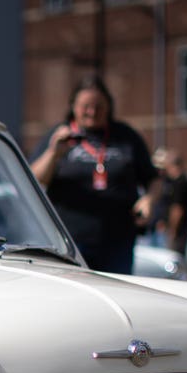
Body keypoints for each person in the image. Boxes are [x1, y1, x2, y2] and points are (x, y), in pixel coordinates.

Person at [30, 75, 158, 274]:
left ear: (109, 106)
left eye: (99, 106)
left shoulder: (125, 136)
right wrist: (53, 153)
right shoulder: (60, 134)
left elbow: (153, 179)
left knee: (117, 292)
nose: (92, 112)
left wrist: (149, 199)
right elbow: (36, 179)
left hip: (117, 240)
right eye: (85, 106)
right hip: (70, 241)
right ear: (73, 106)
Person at [152, 147, 187, 257]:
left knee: (174, 259)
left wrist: (172, 230)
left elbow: (177, 209)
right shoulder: (172, 182)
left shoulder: (181, 183)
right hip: (174, 228)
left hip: (179, 230)